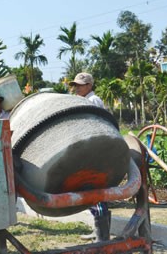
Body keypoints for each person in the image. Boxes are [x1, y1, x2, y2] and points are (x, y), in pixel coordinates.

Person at [69, 72, 110, 242]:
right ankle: (99, 231)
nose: (77, 88)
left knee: (95, 190)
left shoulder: (93, 101)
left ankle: (102, 236)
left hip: (95, 150)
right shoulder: (85, 100)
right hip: (90, 149)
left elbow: (95, 125)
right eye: (76, 85)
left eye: (80, 85)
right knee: (91, 191)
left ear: (89, 86)